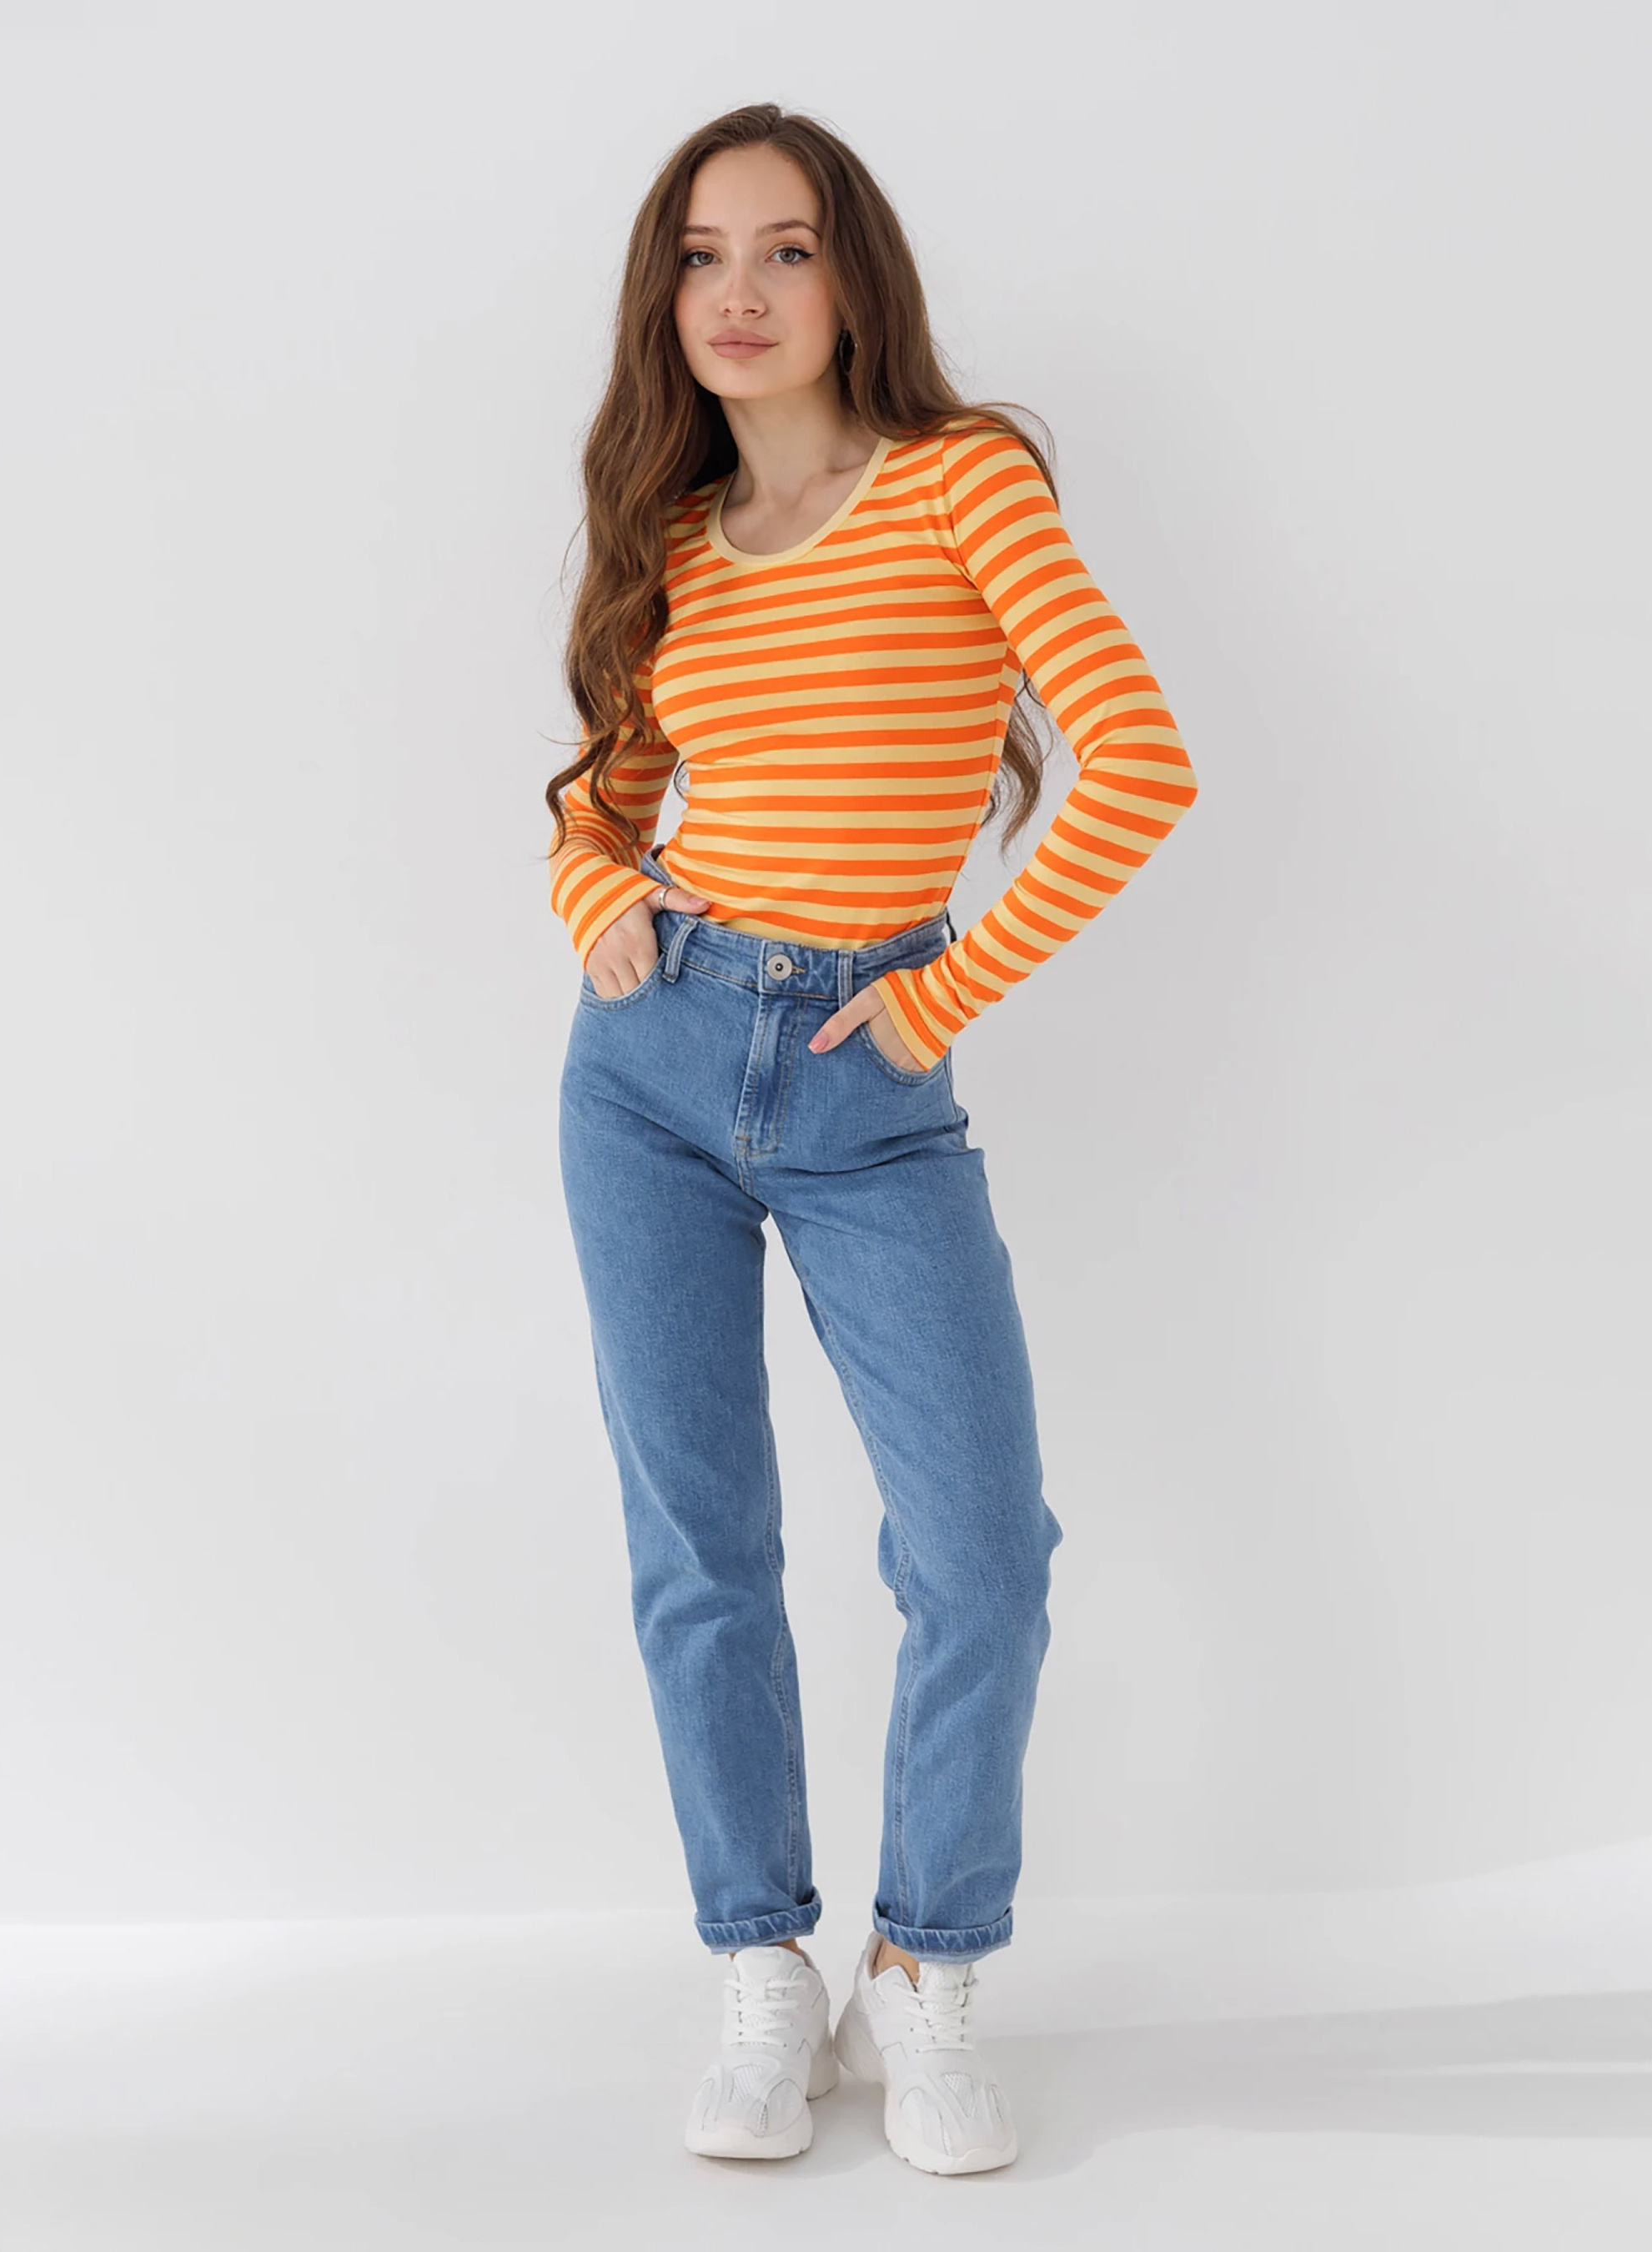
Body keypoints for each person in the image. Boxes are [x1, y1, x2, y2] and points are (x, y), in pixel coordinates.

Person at [546, 103, 1198, 2174]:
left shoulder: (957, 482)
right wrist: (592, 894)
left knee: (981, 1557)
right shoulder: (671, 538)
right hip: (644, 1074)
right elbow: (598, 797)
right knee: (702, 1550)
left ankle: (922, 1968)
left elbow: (1136, 762)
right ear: (664, 295)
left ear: (852, 279)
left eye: (786, 248)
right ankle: (762, 1964)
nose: (738, 291)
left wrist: (929, 999)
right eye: (699, 254)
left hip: (865, 1082)